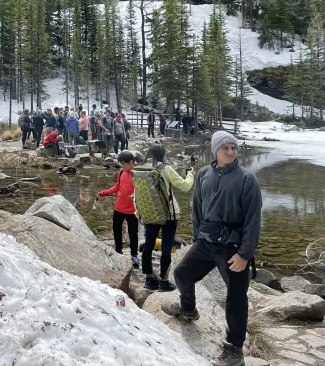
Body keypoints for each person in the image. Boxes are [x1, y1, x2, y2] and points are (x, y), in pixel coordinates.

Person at [163, 132, 261, 366]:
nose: (230, 152)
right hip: (206, 242)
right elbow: (197, 207)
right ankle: (188, 309)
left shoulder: (247, 179)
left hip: (232, 248)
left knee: (236, 298)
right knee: (182, 274)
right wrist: (197, 238)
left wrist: (244, 254)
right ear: (215, 149)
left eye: (234, 148)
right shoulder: (205, 174)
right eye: (225, 147)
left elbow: (253, 220)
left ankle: (234, 350)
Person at [141, 144, 195, 292]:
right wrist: (191, 174)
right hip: (169, 213)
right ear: (163, 153)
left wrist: (138, 213)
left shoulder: (142, 168)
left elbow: (136, 193)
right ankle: (164, 282)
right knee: (166, 244)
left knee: (148, 244)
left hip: (149, 212)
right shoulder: (166, 169)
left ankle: (149, 279)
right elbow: (185, 186)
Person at [98, 151, 140, 268]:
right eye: (121, 164)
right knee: (117, 231)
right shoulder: (122, 172)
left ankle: (134, 255)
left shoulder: (138, 174)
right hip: (119, 208)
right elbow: (117, 186)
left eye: (124, 164)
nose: (122, 167)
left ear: (131, 163)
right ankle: (118, 252)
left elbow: (143, 191)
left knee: (133, 234)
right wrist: (105, 192)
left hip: (132, 211)